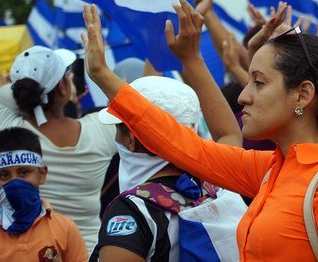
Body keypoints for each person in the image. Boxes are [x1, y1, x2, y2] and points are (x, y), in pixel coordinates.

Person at [81, 0, 318, 261]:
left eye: (259, 83)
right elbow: (184, 145)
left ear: (302, 95)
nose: (243, 96)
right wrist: (104, 77)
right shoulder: (272, 168)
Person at [0, 0, 116, 253]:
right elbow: (139, 110)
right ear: (63, 88)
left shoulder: (3, 130)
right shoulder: (100, 129)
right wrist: (100, 70)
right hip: (91, 253)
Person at [91, 76, 241, 262]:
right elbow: (228, 134)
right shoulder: (220, 180)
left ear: (130, 139)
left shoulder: (133, 211)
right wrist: (192, 59)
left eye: (117, 128)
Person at [0, 127, 87, 261]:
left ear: (42, 174)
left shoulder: (65, 229)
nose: (15, 183)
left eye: (24, 172)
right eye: (4, 175)